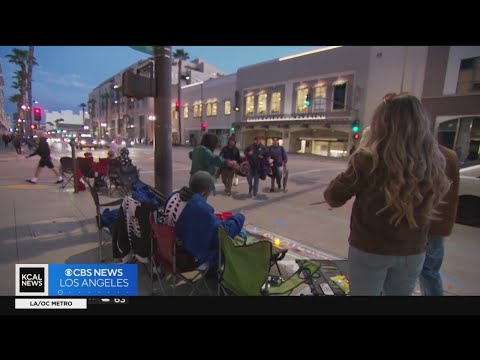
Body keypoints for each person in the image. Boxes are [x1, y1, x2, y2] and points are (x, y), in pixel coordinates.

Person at [323, 93, 450, 296]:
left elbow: (333, 197)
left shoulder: (367, 159)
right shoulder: (435, 160)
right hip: (413, 250)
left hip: (370, 248)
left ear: (381, 122)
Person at [173, 171, 245, 269]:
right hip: (186, 258)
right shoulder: (199, 208)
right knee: (227, 245)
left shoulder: (175, 196)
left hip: (169, 251)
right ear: (204, 191)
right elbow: (222, 234)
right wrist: (239, 217)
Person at [419, 145, 459, 296]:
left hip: (427, 224)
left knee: (427, 270)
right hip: (438, 224)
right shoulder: (449, 154)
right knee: (430, 270)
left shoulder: (424, 153)